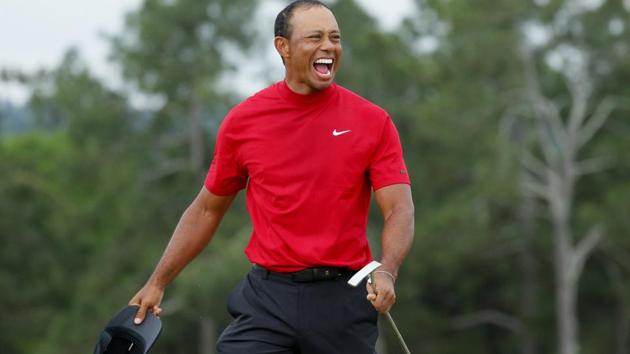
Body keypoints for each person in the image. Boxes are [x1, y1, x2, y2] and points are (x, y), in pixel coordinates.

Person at [129, 1, 414, 353]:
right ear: (283, 46)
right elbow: (206, 210)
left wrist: (387, 270)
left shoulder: (372, 121)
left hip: (341, 300)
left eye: (335, 38)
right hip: (267, 299)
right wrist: (158, 282)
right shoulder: (243, 122)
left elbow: (399, 210)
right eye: (315, 37)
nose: (329, 46)